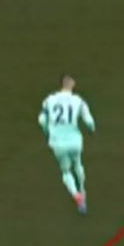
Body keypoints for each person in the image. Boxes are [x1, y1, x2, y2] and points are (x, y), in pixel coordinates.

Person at [38, 74, 96, 214]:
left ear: (61, 84)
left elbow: (41, 120)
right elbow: (89, 121)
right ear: (73, 85)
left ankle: (76, 196)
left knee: (66, 171)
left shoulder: (49, 100)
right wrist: (92, 128)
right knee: (78, 164)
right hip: (74, 140)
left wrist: (47, 131)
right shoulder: (79, 100)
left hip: (58, 141)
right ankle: (82, 190)